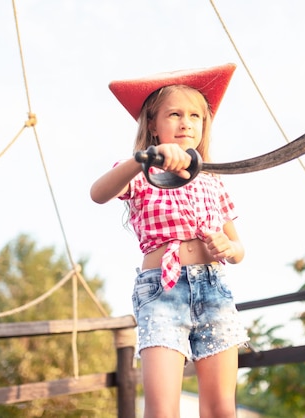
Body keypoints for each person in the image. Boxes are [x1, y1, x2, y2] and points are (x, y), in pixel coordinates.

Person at [91, 63, 249, 418]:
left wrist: (228, 248)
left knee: (222, 408)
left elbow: (238, 249)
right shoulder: (142, 172)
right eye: (174, 114)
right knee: (162, 410)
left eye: (195, 116)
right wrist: (142, 160)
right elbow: (98, 194)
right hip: (162, 291)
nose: (185, 123)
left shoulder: (212, 180)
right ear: (152, 123)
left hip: (214, 290)